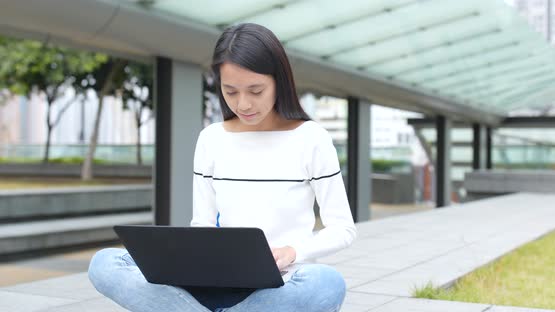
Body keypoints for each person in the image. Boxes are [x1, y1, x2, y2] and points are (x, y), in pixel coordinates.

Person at [88, 22, 357, 312]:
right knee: (104, 262)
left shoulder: (311, 138)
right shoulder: (211, 139)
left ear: (279, 80)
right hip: (212, 283)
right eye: (231, 91)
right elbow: (202, 225)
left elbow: (343, 229)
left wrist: (292, 251)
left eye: (256, 90)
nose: (244, 104)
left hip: (282, 285)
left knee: (328, 282)